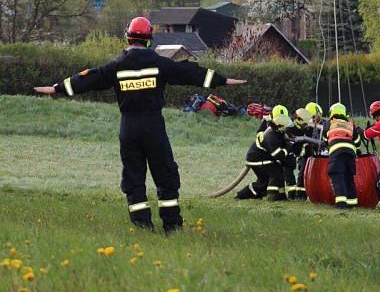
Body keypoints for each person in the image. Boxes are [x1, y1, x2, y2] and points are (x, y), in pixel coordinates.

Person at [34, 16, 246, 233]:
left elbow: (88, 78)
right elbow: (189, 73)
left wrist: (57, 88)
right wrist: (223, 80)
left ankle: (142, 227)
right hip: (153, 126)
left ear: (128, 38)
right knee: (165, 174)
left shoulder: (115, 67)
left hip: (129, 128)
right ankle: (172, 226)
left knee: (133, 177)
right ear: (148, 40)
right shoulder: (160, 65)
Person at [235, 113, 294, 201]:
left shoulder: (276, 133)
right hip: (258, 158)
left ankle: (241, 195)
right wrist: (288, 146)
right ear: (280, 127)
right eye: (286, 128)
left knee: (263, 183)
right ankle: (273, 195)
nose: (288, 130)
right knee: (276, 171)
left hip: (261, 158)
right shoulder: (271, 135)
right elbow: (277, 155)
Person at [326, 102, 361, 210]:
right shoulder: (350, 124)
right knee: (349, 178)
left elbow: (324, 141)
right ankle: (352, 203)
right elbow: (358, 142)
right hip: (350, 153)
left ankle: (342, 205)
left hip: (337, 152)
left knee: (337, 177)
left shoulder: (329, 124)